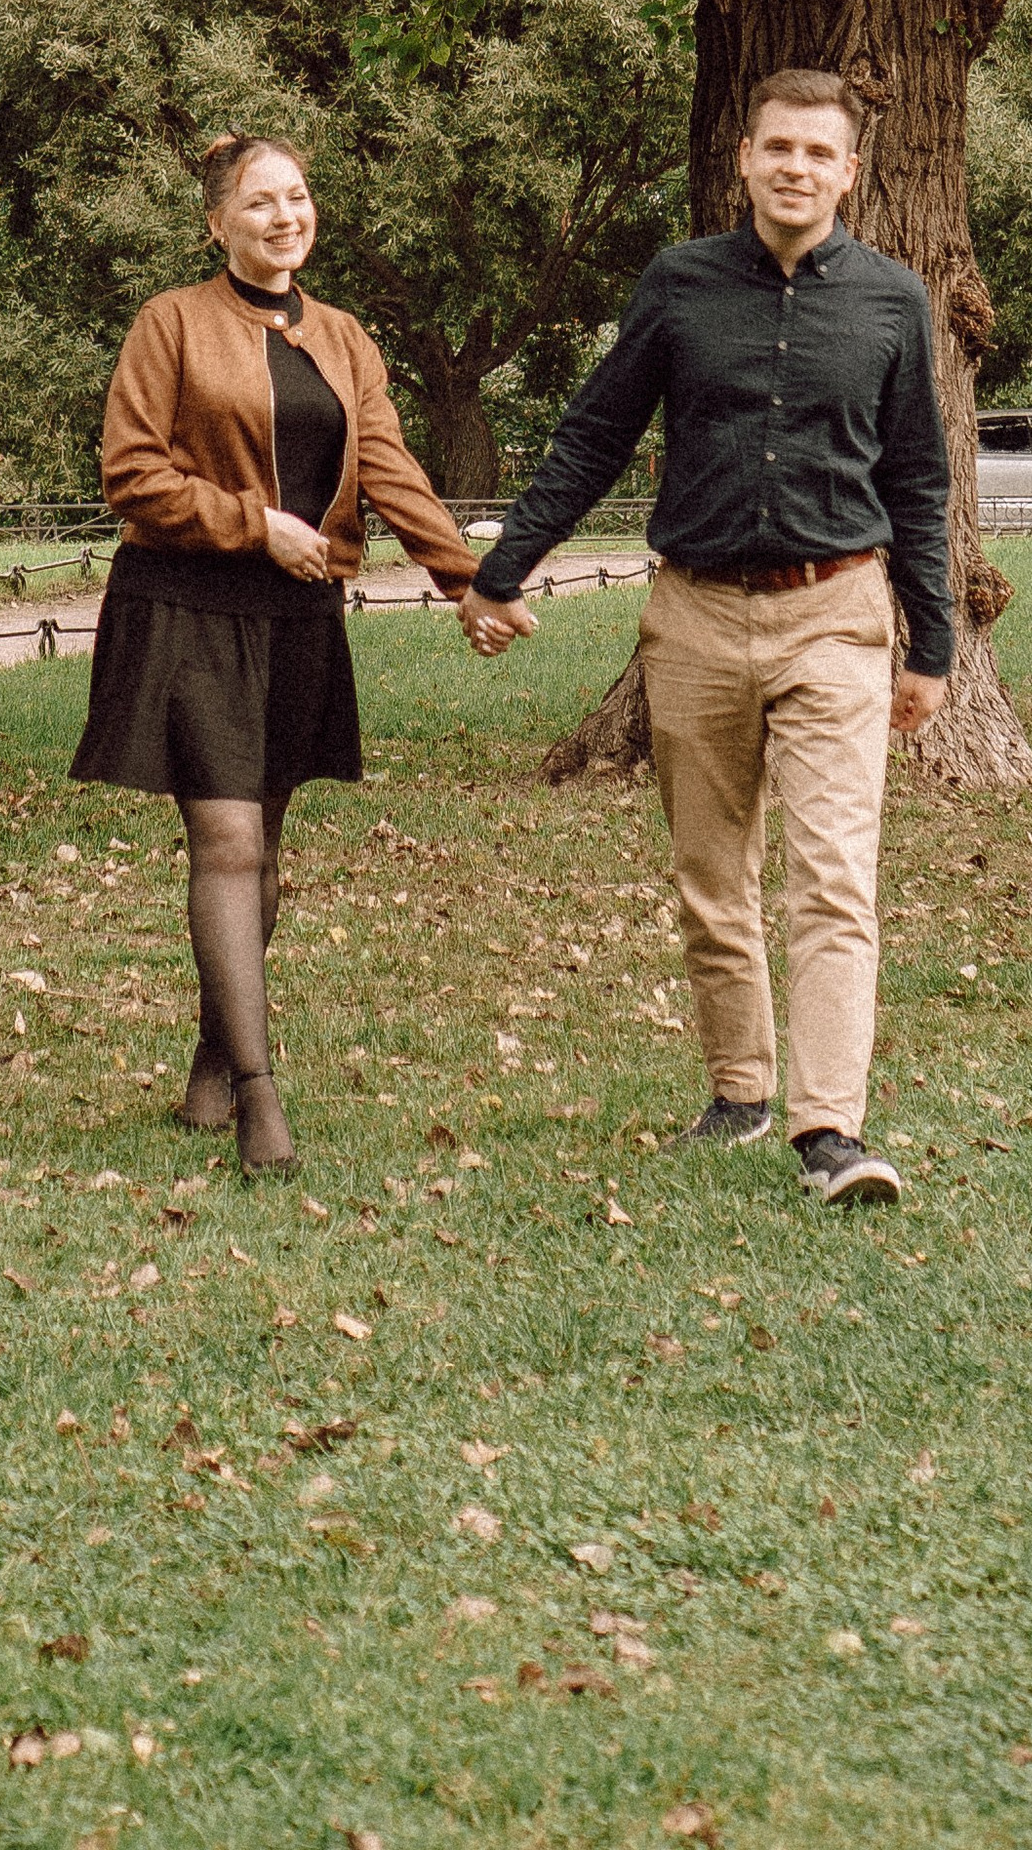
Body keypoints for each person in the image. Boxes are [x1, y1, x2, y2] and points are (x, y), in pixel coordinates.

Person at [460, 69, 953, 1204]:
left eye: (818, 153)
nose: (796, 169)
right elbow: (595, 435)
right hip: (693, 617)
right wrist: (503, 566)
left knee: (833, 880)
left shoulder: (892, 301)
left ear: (849, 173)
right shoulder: (679, 284)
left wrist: (930, 647)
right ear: (744, 158)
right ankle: (740, 1094)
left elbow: (919, 481)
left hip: (835, 615)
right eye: (778, 148)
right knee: (711, 874)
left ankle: (830, 1131)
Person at [77, 132, 482, 1176]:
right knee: (226, 841)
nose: (283, 216)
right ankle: (260, 1094)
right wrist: (255, 526)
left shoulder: (342, 338)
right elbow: (131, 473)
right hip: (187, 606)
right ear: (218, 223)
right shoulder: (170, 322)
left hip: (300, 615)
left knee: (263, 842)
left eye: (296, 197)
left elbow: (388, 467)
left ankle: (214, 1060)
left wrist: (466, 581)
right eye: (259, 202)